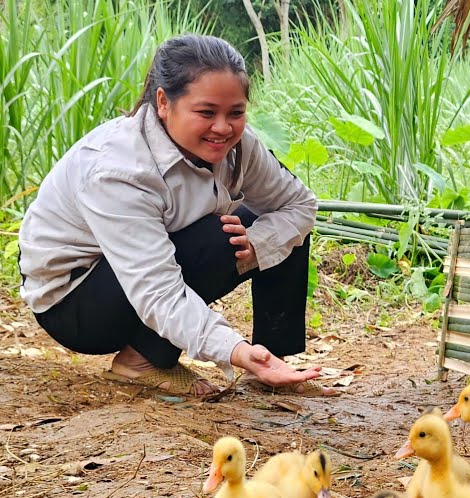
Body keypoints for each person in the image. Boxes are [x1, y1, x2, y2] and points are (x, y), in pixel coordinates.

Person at [18, 34, 331, 397]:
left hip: (146, 268)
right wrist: (235, 351)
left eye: (236, 112)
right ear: (164, 103)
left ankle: (273, 362)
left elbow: (299, 205)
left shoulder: (238, 146)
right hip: (77, 303)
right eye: (206, 112)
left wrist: (260, 243)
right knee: (222, 234)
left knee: (275, 227)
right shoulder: (118, 170)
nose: (223, 128)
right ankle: (140, 360)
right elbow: (157, 291)